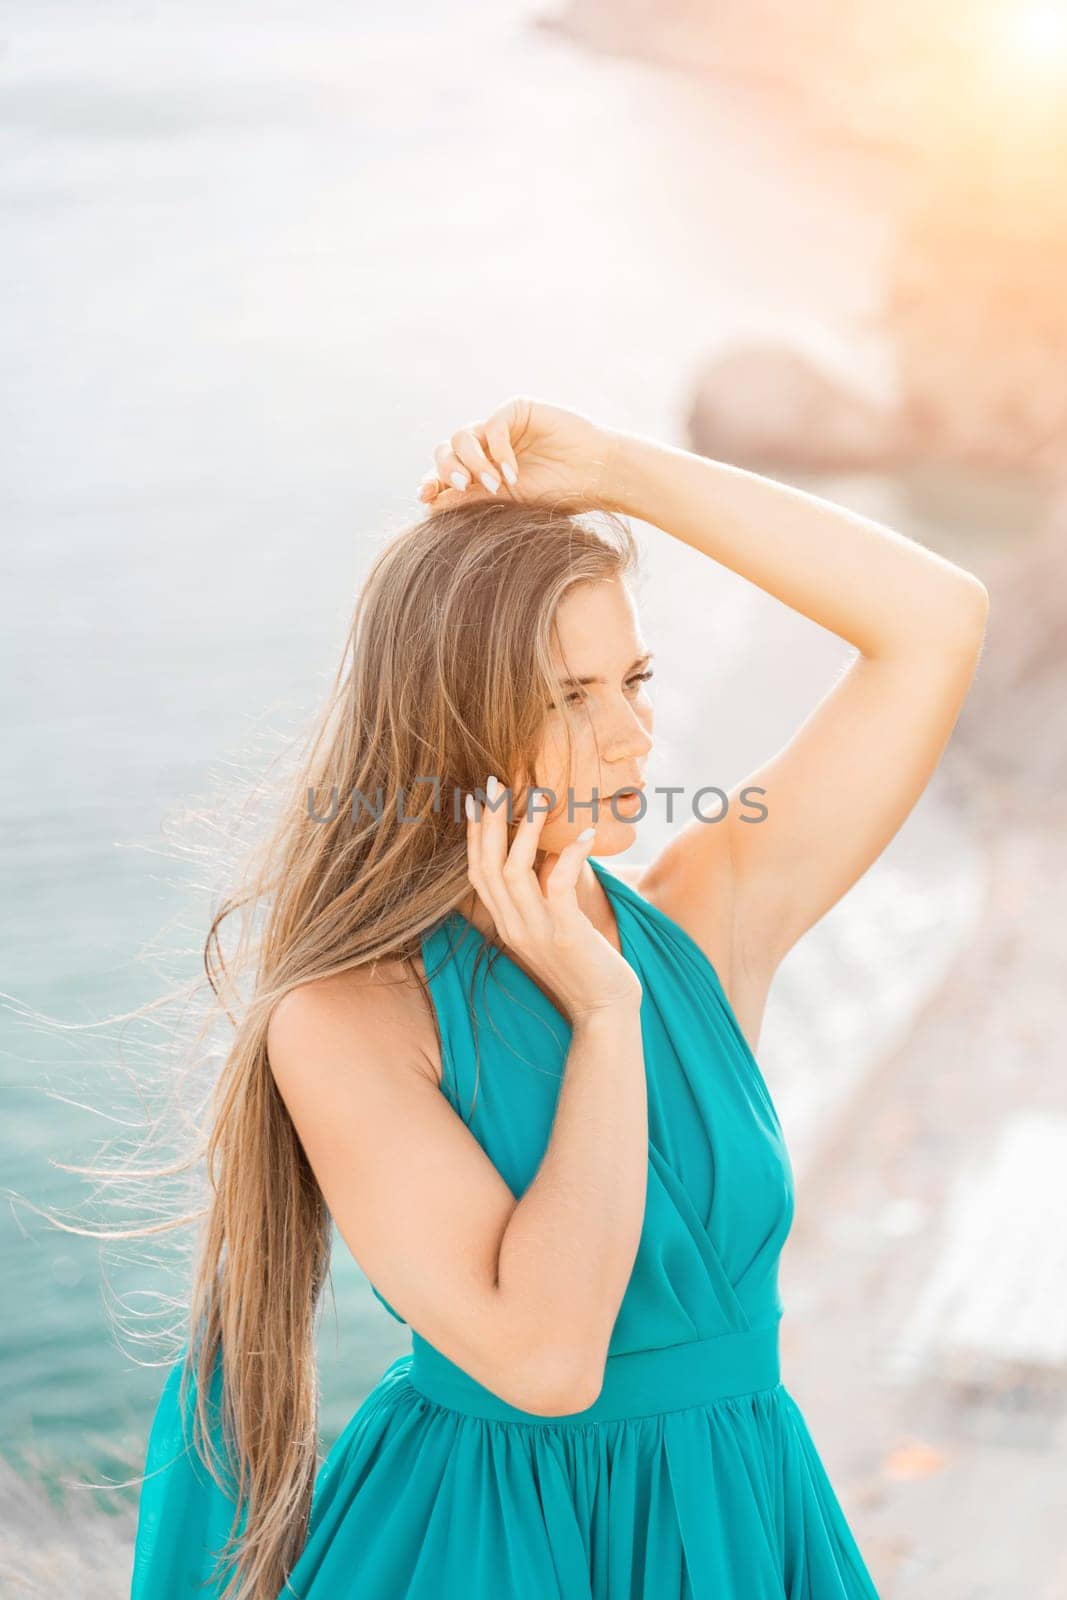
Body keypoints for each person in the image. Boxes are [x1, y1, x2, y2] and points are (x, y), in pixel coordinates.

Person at [129, 395, 989, 1598]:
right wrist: (598, 1016)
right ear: (451, 725)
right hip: (485, 1546)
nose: (636, 734)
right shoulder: (347, 1020)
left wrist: (615, 469)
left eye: (634, 677)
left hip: (744, 1522)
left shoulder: (703, 915)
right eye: (571, 696)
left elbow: (935, 623)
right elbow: (545, 1359)